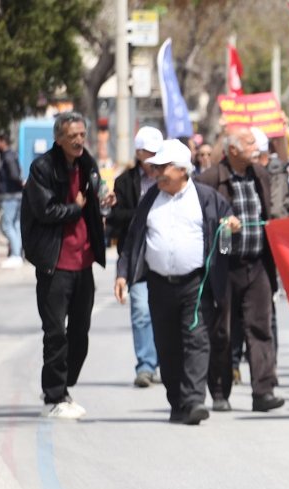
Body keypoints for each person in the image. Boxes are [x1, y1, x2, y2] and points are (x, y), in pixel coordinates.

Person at [115, 140, 237, 425]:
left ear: (183, 170)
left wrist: (231, 227)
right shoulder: (150, 200)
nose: (157, 173)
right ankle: (178, 401)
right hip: (158, 284)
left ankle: (194, 399)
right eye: (155, 167)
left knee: (197, 339)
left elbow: (228, 232)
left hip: (196, 283)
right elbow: (133, 240)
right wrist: (123, 273)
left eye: (163, 167)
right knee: (167, 345)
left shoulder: (206, 198)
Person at [22, 112, 113, 419]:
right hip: (55, 263)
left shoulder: (87, 164)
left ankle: (63, 386)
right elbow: (45, 210)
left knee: (80, 332)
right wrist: (75, 208)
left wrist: (104, 200)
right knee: (55, 333)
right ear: (58, 138)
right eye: (72, 136)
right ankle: (54, 396)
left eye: (81, 134)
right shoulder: (43, 168)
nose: (78, 140)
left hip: (83, 262)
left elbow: (95, 196)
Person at [195, 124, 285, 414]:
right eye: (248, 143)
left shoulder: (260, 175)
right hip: (225, 265)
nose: (255, 147)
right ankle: (220, 391)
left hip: (257, 263)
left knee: (260, 327)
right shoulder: (210, 179)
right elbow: (201, 224)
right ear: (232, 149)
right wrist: (221, 226)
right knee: (221, 331)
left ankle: (264, 391)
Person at [109, 126, 164, 388]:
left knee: (166, 311)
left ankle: (168, 361)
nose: (152, 158)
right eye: (148, 152)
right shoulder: (124, 182)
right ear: (139, 152)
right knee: (142, 310)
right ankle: (145, 366)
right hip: (137, 256)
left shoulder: (171, 177)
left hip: (165, 255)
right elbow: (116, 217)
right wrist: (142, 217)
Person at [0, 133, 24, 268]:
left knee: (7, 225)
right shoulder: (11, 155)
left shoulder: (7, 157)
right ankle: (17, 254)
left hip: (10, 196)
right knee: (16, 225)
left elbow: (14, 175)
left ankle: (16, 255)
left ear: (3, 141)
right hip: (16, 195)